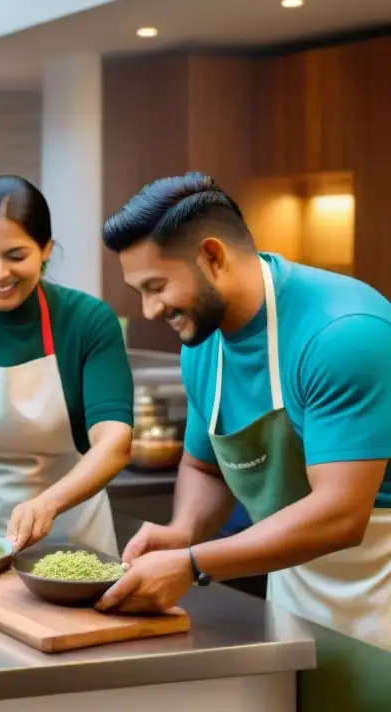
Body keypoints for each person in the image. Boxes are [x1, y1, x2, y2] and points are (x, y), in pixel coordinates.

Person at [97, 171, 390, 654]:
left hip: (378, 596)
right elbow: (203, 465)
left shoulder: (344, 334)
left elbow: (341, 515)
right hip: (294, 587)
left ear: (213, 257)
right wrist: (183, 532)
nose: (150, 310)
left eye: (157, 286)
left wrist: (193, 563)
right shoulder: (203, 341)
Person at [0, 175, 134, 554]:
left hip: (73, 536)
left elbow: (113, 442)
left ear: (46, 249)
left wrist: (49, 503)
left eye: (16, 256)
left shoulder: (88, 322)